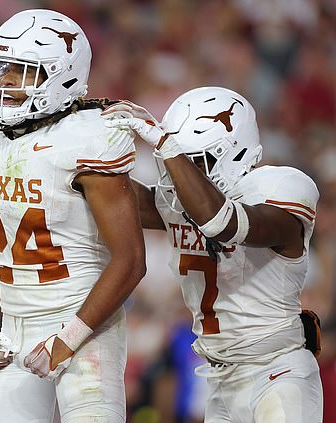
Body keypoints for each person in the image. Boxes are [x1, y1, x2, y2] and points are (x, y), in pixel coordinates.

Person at [0, 9, 146, 423]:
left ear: (61, 76)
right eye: (4, 67)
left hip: (86, 324)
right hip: (15, 324)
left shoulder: (88, 137)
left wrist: (69, 338)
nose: (5, 80)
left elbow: (130, 259)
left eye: (23, 70)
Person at [102, 86, 323, 422]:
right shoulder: (181, 202)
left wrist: (165, 145)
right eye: (174, 163)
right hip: (218, 378)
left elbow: (223, 222)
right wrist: (81, 150)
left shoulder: (281, 188)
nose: (177, 174)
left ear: (233, 153)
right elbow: (112, 199)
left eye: (192, 162)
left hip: (277, 372)